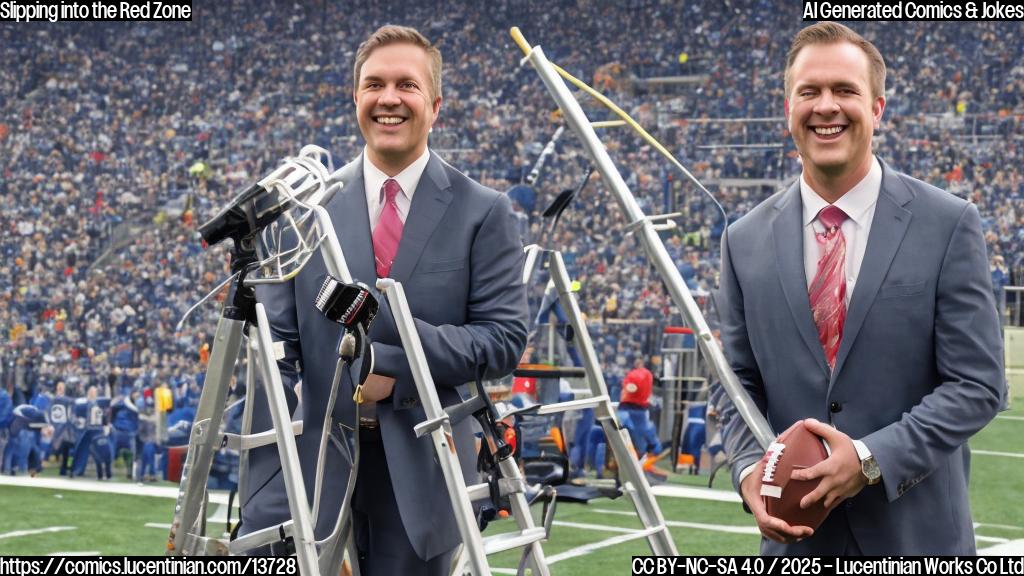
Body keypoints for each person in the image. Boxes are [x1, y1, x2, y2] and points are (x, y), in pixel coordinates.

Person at [240, 25, 528, 575]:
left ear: (435, 105)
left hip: (422, 467)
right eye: (374, 85)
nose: (388, 98)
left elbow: (502, 341)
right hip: (313, 467)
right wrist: (261, 480)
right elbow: (276, 350)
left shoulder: (483, 211)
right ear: (356, 98)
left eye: (407, 85)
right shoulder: (305, 210)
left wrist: (391, 363)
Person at [718, 21, 1004, 555]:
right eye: (810, 92)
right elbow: (735, 381)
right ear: (788, 109)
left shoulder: (948, 223)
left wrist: (870, 459)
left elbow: (979, 384)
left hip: (917, 543)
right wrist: (748, 467)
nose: (826, 106)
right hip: (795, 545)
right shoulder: (742, 240)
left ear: (877, 109)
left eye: (845, 90)